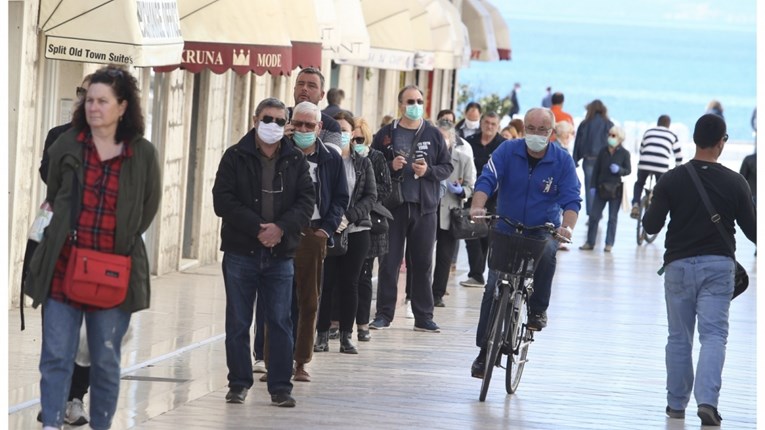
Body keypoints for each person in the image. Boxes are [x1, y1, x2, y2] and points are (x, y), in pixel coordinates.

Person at [25, 65, 162, 430]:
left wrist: (119, 243)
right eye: (89, 99)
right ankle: (51, 423)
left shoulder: (143, 154)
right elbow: (55, 193)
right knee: (55, 355)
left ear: (122, 106)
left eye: (103, 101)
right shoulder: (67, 144)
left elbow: (147, 208)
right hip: (63, 265)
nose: (93, 107)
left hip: (113, 271)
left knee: (104, 359)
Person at [642, 113, 756, 426]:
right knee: (714, 336)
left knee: (679, 337)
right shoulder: (735, 182)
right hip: (718, 266)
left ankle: (675, 404)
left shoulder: (672, 178)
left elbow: (650, 225)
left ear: (694, 140)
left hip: (678, 266)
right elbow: (753, 231)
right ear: (722, 143)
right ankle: (707, 402)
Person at [213, 97, 314, 406]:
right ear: (255, 120)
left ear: (287, 125)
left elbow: (306, 201)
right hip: (241, 251)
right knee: (238, 321)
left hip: (280, 254)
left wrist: (280, 228)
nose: (273, 125)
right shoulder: (234, 156)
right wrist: (258, 227)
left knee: (280, 321)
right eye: (267, 119)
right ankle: (239, 383)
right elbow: (223, 200)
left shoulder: (295, 159)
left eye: (279, 121)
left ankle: (281, 387)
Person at [469, 108, 581, 378]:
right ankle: (484, 352)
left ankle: (538, 310)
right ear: (523, 129)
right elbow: (488, 178)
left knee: (549, 251)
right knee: (493, 286)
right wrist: (477, 206)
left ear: (551, 133)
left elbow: (572, 199)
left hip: (541, 228)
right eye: (530, 127)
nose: (535, 134)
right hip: (507, 225)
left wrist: (567, 227)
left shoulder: (562, 161)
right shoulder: (508, 150)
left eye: (542, 130)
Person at [24, 76, 93, 427]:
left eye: (95, 95)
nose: (86, 100)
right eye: (82, 93)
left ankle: (74, 398)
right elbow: (48, 174)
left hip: (98, 253)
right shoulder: (59, 135)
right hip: (59, 246)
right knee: (56, 330)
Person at [369, 85, 453, 332]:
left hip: (425, 208)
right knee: (389, 262)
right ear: (400, 104)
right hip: (393, 207)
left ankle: (423, 316)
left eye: (418, 101)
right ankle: (384, 314)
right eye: (410, 101)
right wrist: (390, 165)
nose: (415, 105)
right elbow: (372, 166)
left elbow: (446, 168)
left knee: (423, 263)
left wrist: (428, 171)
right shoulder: (386, 134)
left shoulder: (434, 134)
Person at [288, 101, 348, 381]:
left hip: (313, 234)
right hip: (282, 233)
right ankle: (274, 359)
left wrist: (327, 228)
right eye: (297, 124)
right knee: (277, 300)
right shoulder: (281, 152)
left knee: (308, 301)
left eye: (308, 125)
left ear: (319, 128)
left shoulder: (331, 159)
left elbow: (340, 198)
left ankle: (300, 361)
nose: (302, 130)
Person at [314, 111, 377, 355]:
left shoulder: (362, 162)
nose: (341, 134)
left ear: (353, 133)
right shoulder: (326, 159)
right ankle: (321, 334)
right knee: (326, 283)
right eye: (337, 130)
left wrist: (349, 217)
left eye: (345, 130)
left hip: (357, 229)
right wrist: (332, 220)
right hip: (328, 229)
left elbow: (371, 196)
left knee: (350, 284)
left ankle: (346, 336)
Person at [351, 117, 391, 342]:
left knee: (364, 277)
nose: (356, 142)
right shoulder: (343, 158)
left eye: (360, 138)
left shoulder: (375, 158)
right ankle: (337, 322)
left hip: (369, 223)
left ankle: (362, 324)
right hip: (346, 223)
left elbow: (386, 188)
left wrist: (367, 195)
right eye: (353, 138)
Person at [431, 120, 476, 307]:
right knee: (422, 255)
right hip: (429, 211)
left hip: (450, 213)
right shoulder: (428, 157)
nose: (441, 142)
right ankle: (415, 291)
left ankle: (437, 293)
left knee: (444, 256)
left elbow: (471, 186)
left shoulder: (462, 159)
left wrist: (462, 191)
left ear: (451, 138)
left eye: (444, 137)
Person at [459, 112, 504, 288]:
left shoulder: (503, 146)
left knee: (488, 236)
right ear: (481, 123)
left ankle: (484, 272)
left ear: (498, 126)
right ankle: (476, 274)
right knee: (471, 233)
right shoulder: (470, 142)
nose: (490, 126)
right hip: (472, 193)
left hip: (495, 197)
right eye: (487, 122)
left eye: (494, 123)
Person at [579, 125, 631, 252]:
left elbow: (628, 170)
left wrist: (619, 170)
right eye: (609, 135)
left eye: (613, 136)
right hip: (601, 188)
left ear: (619, 138)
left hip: (615, 189)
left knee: (612, 218)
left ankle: (609, 244)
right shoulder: (603, 151)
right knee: (594, 216)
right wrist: (592, 187)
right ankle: (590, 242)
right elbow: (595, 170)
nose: (610, 138)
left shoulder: (624, 153)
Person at [630, 115, 682, 218]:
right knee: (661, 188)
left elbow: (641, 149)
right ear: (668, 125)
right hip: (661, 166)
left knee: (639, 183)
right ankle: (655, 206)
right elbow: (679, 156)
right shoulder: (672, 135)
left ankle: (635, 203)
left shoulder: (648, 132)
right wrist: (677, 168)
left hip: (644, 163)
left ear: (657, 123)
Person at [572, 99, 614, 216]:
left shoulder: (584, 124)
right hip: (604, 161)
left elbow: (578, 143)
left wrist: (575, 160)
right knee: (601, 187)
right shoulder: (608, 124)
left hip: (589, 159)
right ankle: (598, 212)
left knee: (590, 187)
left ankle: (591, 214)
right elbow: (614, 143)